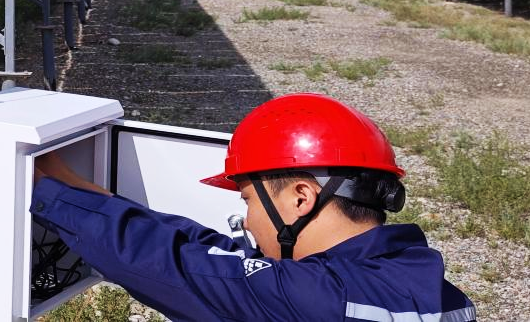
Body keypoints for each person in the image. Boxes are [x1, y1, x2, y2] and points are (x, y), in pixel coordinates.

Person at [32, 93, 476, 322]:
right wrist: (87, 194)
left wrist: (46, 193)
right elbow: (214, 256)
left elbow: (175, 266)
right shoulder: (423, 284)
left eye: (247, 200)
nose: (246, 220)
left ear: (301, 197)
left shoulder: (322, 300)